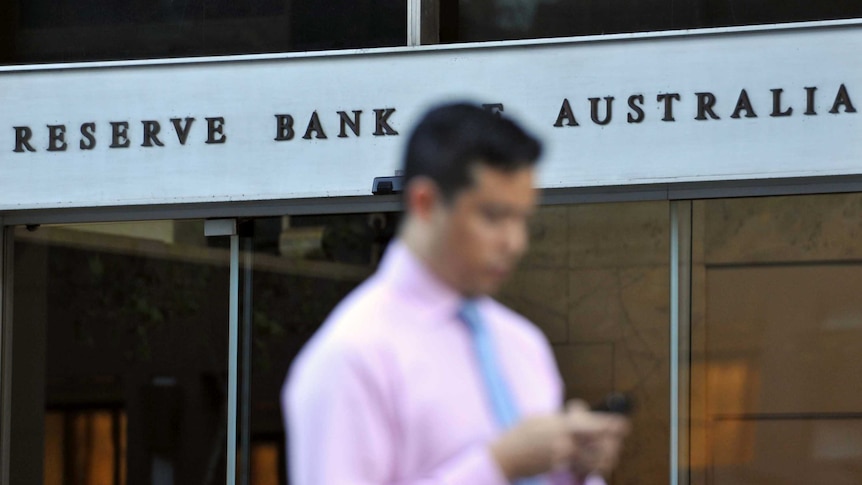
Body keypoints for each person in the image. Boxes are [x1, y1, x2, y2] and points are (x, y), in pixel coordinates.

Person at [282, 102, 629, 484]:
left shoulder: (523, 344)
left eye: (522, 218)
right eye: (493, 216)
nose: (515, 242)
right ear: (425, 203)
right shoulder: (352, 357)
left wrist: (575, 471)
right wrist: (497, 466)